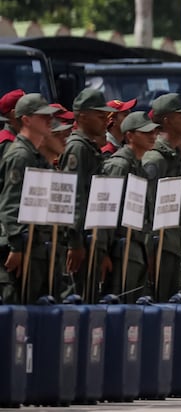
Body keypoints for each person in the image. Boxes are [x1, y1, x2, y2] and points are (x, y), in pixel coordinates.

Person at [0, 93, 57, 303]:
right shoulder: (20, 155)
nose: (49, 120)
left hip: (34, 245)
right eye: (42, 116)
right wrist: (16, 246)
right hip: (19, 247)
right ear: (26, 120)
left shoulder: (34, 155)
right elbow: (10, 204)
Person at [60, 87, 112, 301]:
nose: (105, 120)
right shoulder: (77, 149)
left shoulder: (89, 148)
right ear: (82, 116)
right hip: (81, 241)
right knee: (77, 300)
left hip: (93, 240)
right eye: (99, 115)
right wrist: (75, 242)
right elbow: (73, 197)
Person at [142, 93, 181, 302]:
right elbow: (149, 210)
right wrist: (151, 251)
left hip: (171, 244)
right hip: (158, 248)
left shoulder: (173, 157)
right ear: (166, 120)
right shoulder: (155, 159)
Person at [101, 111, 159, 302]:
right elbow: (107, 210)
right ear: (130, 136)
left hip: (137, 247)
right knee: (119, 305)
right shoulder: (119, 165)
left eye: (153, 131)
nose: (153, 136)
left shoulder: (138, 166)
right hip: (120, 249)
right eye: (146, 132)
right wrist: (103, 252)